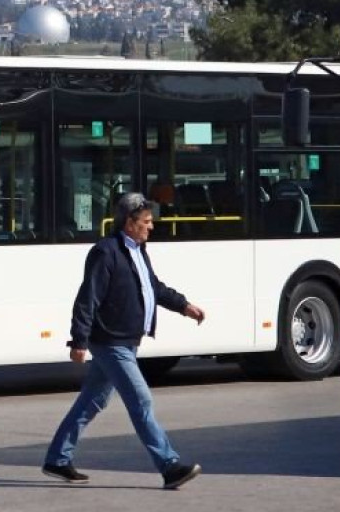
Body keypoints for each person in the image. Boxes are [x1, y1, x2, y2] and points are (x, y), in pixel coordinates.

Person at [42, 191, 207, 490]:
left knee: (91, 401)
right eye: (146, 221)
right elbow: (87, 298)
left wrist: (183, 306)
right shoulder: (106, 252)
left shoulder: (138, 251)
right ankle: (169, 466)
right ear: (130, 222)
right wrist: (79, 340)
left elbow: (152, 287)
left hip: (128, 340)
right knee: (141, 400)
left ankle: (57, 458)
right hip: (110, 342)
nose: (151, 227)